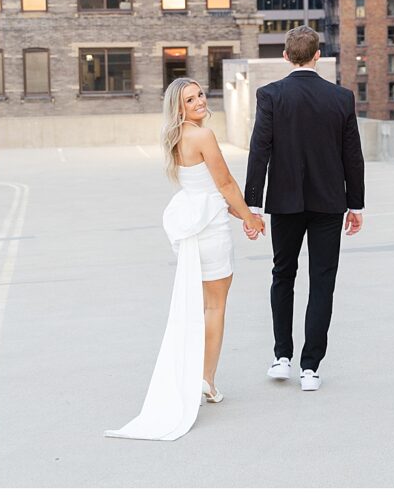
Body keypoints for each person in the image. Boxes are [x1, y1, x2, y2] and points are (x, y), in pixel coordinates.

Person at [106, 78, 265, 441]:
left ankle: (195, 376)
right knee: (215, 307)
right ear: (178, 107)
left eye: (200, 95)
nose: (198, 102)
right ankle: (206, 380)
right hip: (210, 231)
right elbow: (224, 184)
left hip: (193, 228)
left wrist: (243, 216)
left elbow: (209, 189)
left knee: (198, 307)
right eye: (189, 99)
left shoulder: (176, 137)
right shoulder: (203, 136)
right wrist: (251, 218)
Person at [244, 25, 365, 392]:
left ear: (285, 56)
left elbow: (259, 149)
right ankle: (310, 368)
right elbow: (352, 157)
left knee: (283, 274)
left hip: (284, 203)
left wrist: (253, 205)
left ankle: (282, 357)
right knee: (322, 281)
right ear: (318, 56)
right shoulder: (340, 98)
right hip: (329, 203)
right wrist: (355, 205)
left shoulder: (270, 95)